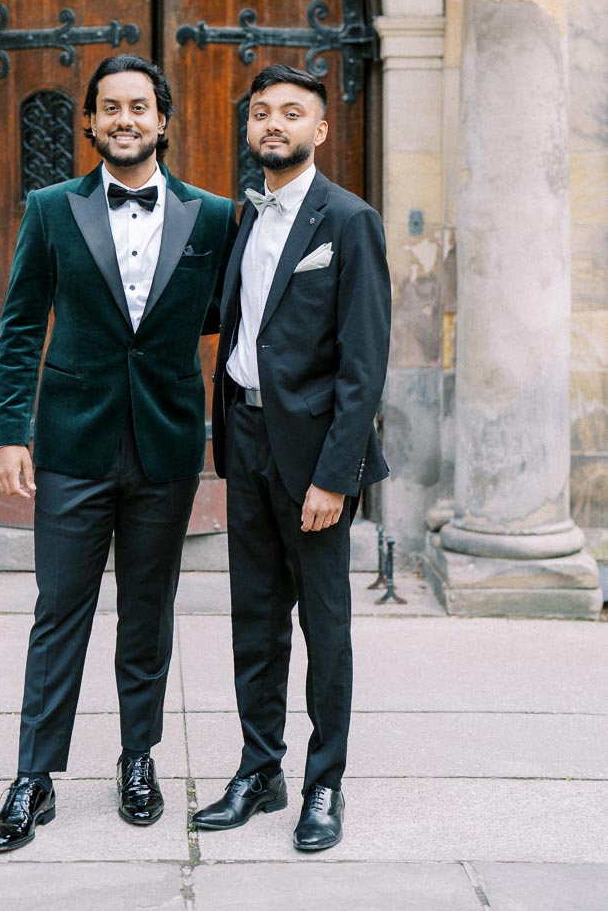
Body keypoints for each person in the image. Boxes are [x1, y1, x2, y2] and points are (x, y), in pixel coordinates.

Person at [0, 53, 237, 853]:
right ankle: (34, 776)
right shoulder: (52, 208)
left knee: (148, 614)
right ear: (89, 123)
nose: (125, 119)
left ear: (164, 120)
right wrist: (9, 434)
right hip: (72, 444)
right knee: (60, 611)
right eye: (110, 108)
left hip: (164, 444)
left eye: (140, 106)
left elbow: (229, 319)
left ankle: (139, 759)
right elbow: (22, 324)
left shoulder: (215, 216)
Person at [192, 63, 391, 853]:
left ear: (320, 129)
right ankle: (259, 769)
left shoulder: (349, 221)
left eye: (291, 113)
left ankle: (325, 783)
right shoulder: (245, 219)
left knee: (325, 624)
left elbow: (363, 362)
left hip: (313, 457)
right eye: (262, 113)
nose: (273, 124)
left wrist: (335, 477)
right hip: (244, 437)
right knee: (255, 616)